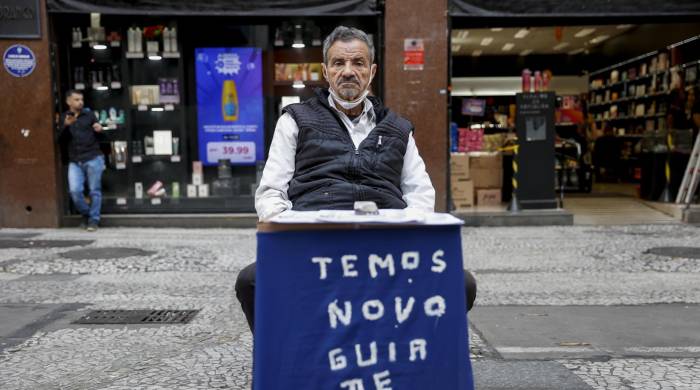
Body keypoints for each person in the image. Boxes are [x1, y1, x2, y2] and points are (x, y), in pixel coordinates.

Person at [235, 26, 477, 332]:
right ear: (325, 71)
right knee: (251, 281)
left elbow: (421, 196)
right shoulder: (295, 119)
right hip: (314, 248)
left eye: (358, 63)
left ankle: (406, 359)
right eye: (339, 63)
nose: (348, 72)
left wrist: (402, 237)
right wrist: (295, 237)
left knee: (461, 284)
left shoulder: (399, 129)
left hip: (385, 250)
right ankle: (286, 364)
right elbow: (271, 194)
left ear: (372, 71)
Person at [56, 90, 105, 232]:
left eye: (81, 99)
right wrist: (65, 126)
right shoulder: (64, 117)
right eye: (76, 99)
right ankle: (87, 214)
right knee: (75, 191)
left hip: (93, 157)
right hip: (75, 161)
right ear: (68, 102)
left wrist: (100, 129)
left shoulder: (89, 115)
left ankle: (93, 221)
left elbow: (102, 136)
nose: (80, 102)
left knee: (95, 190)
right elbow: (60, 141)